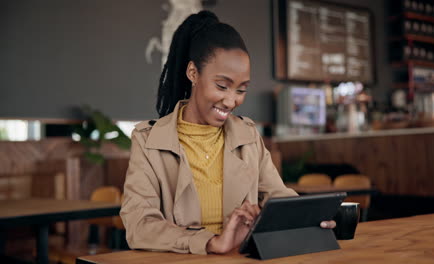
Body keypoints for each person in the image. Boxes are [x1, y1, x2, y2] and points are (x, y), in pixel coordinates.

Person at [120, 10, 335, 255]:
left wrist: (308, 218)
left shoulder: (248, 136)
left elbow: (279, 197)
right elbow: (140, 226)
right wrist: (211, 242)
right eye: (222, 86)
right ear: (193, 73)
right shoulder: (148, 141)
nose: (231, 101)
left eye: (241, 90)